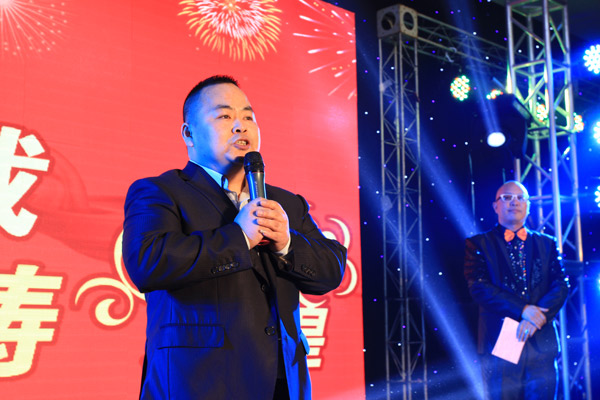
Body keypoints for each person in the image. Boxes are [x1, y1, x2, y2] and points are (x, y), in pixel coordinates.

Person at [122, 75, 347, 400]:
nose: (241, 126)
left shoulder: (286, 203)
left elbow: (331, 270)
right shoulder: (161, 191)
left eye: (248, 117)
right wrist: (239, 237)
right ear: (188, 134)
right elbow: (148, 262)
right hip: (198, 384)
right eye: (225, 116)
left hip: (283, 384)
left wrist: (286, 243)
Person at [464, 180, 569, 400]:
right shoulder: (478, 244)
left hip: (540, 335)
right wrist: (523, 310)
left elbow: (560, 284)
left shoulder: (547, 243)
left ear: (528, 205)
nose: (514, 202)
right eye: (507, 197)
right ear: (495, 206)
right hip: (503, 336)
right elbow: (479, 287)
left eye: (520, 198)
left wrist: (536, 317)